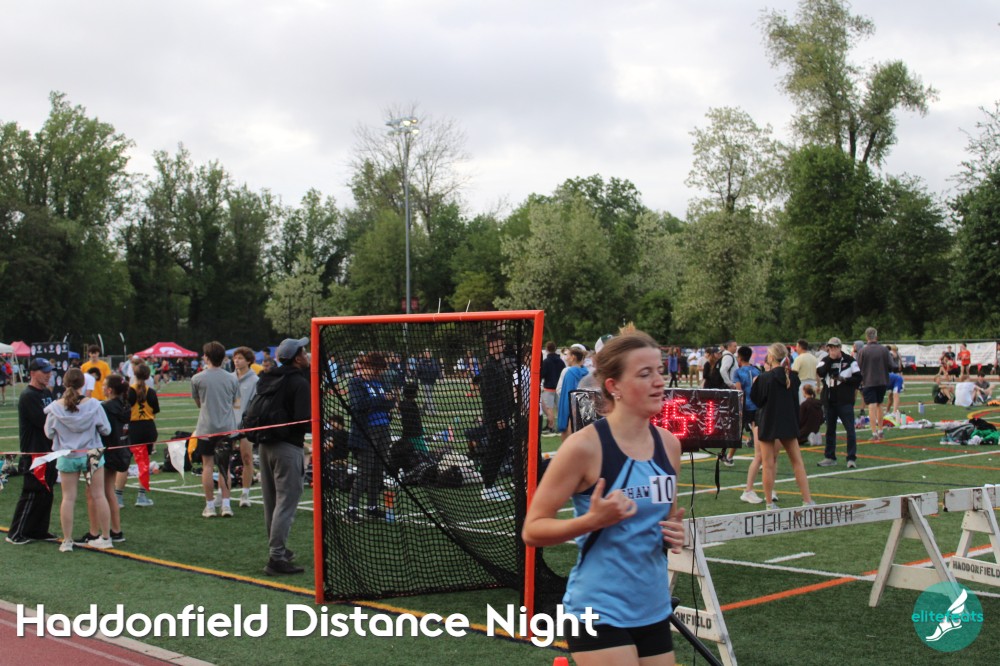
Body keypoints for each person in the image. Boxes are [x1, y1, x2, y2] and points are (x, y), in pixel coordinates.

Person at [522, 328, 685, 666]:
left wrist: (673, 532)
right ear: (614, 386)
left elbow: (663, 519)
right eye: (645, 374)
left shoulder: (669, 445)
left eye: (659, 371)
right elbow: (532, 529)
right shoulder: (584, 447)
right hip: (597, 609)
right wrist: (591, 521)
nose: (659, 382)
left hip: (653, 607)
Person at [255, 337, 311, 575]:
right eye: (304, 352)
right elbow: (303, 420)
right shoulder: (298, 382)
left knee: (271, 502)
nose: (307, 355)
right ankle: (276, 557)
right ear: (297, 358)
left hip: (265, 445)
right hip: (288, 447)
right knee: (286, 503)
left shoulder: (268, 377)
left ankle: (277, 550)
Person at [43, 368, 114, 551]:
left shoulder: (55, 408)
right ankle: (106, 537)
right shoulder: (94, 405)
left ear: (64, 383)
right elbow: (106, 430)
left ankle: (67, 541)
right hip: (92, 452)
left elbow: (49, 433)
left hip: (68, 454)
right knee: (99, 495)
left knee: (68, 498)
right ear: (83, 384)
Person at [750, 343, 814, 511]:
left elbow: (757, 400)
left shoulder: (765, 378)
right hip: (787, 421)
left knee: (768, 463)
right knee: (797, 462)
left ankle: (769, 503)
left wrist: (757, 383)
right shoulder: (792, 377)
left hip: (768, 422)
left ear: (771, 357)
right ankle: (807, 500)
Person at [6, 359, 59, 545]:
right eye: (44, 371)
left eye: (49, 371)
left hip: (49, 450)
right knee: (31, 492)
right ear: (33, 373)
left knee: (47, 492)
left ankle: (38, 530)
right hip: (34, 452)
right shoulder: (28, 395)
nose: (48, 375)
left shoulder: (46, 392)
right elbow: (44, 422)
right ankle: (15, 533)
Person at [191, 341, 240, 518]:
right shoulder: (232, 378)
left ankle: (210, 505)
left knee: (207, 466)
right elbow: (235, 402)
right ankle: (226, 505)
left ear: (206, 357)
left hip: (206, 428)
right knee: (225, 467)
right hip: (226, 428)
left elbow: (198, 403)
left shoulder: (197, 378)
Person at [347, 351, 395, 520]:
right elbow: (359, 404)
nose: (379, 373)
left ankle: (372, 507)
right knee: (365, 471)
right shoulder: (356, 382)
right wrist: (382, 400)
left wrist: (383, 401)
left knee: (378, 470)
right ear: (371, 367)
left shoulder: (379, 382)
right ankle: (351, 509)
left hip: (384, 428)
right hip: (367, 431)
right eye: (378, 370)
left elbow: (391, 401)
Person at [479, 330, 518, 501]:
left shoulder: (499, 364)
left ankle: (490, 482)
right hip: (496, 418)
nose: (501, 345)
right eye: (498, 343)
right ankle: (488, 486)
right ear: (490, 345)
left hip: (503, 415)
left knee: (501, 449)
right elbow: (489, 397)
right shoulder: (489, 368)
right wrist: (498, 418)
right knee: (495, 450)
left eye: (502, 343)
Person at [816, 337, 862, 468]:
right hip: (829, 400)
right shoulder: (825, 360)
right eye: (830, 347)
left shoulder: (850, 360)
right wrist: (830, 360)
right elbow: (820, 372)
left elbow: (858, 378)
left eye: (835, 347)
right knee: (830, 430)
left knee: (850, 430)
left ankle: (851, 458)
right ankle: (830, 457)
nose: (833, 350)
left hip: (845, 401)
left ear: (840, 347)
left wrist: (844, 379)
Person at [734, 346, 770, 504]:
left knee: (761, 451)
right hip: (758, 407)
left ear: (739, 358)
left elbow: (739, 391)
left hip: (748, 407)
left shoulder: (738, 372)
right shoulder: (756, 370)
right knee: (760, 448)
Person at [123, 362, 158, 508]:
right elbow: (155, 410)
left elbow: (124, 410)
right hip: (148, 428)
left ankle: (118, 496)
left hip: (133, 428)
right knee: (144, 463)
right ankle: (141, 496)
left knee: (124, 463)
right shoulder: (151, 392)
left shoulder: (129, 391)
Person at [856, 327, 894, 442]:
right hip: (882, 381)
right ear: (876, 336)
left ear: (866, 337)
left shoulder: (862, 351)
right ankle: (881, 431)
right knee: (879, 405)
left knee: (871, 407)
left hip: (868, 381)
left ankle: (874, 433)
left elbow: (858, 367)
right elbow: (892, 365)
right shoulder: (884, 350)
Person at [232, 346, 259, 507]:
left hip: (245, 426)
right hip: (228, 425)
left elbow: (255, 405)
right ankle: (222, 493)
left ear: (248, 361)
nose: (237, 361)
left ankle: (245, 494)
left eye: (240, 358)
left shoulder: (255, 380)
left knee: (247, 458)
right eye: (235, 358)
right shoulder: (229, 378)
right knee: (224, 459)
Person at [556, 347, 589, 442]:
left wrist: (565, 418)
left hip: (571, 414)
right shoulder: (587, 373)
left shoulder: (570, 373)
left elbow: (568, 396)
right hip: (584, 411)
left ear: (573, 357)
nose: (566, 358)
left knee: (568, 442)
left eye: (568, 355)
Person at [540, 341, 566, 434]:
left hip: (548, 387)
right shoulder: (561, 361)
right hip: (559, 388)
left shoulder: (546, 362)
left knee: (549, 408)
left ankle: (550, 426)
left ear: (547, 349)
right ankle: (560, 426)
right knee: (559, 408)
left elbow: (542, 374)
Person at [416, 349, 442, 415]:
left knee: (428, 396)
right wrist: (416, 380)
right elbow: (418, 371)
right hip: (425, 381)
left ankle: (423, 409)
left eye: (428, 353)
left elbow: (438, 370)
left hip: (432, 381)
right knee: (428, 396)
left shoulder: (434, 361)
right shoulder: (422, 362)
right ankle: (432, 411)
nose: (427, 354)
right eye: (426, 353)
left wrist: (440, 377)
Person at [792, 339, 818, 403]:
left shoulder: (798, 359)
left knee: (802, 404)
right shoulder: (814, 358)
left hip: (802, 384)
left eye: (797, 346)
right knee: (812, 404)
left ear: (800, 347)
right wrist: (818, 385)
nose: (796, 349)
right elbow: (817, 374)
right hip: (813, 384)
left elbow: (794, 374)